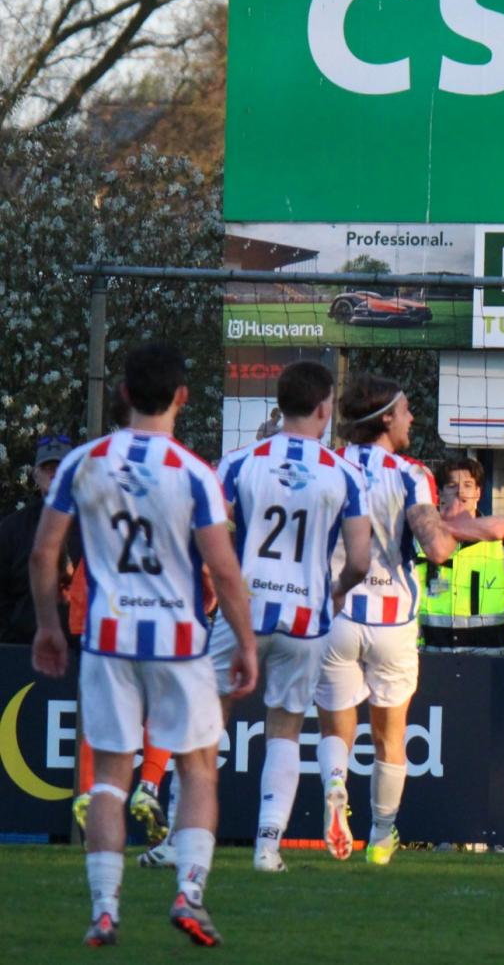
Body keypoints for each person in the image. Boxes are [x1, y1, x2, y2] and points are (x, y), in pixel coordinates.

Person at [28, 341, 258, 947]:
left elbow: (44, 553)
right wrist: (245, 642)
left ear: (124, 393)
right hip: (179, 642)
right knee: (198, 769)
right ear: (182, 396)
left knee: (109, 777)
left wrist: (49, 625)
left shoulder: (84, 462)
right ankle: (189, 894)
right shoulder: (193, 471)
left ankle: (105, 909)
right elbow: (223, 569)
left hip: (108, 638)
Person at [211, 360, 372, 872]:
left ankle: (179, 834)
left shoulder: (239, 462)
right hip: (307, 616)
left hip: (243, 610)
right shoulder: (345, 473)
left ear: (279, 405)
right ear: (325, 408)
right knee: (284, 726)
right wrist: (338, 591)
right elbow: (360, 560)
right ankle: (267, 846)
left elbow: (207, 535)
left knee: (209, 718)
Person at [315, 374, 457, 866]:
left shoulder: (327, 464)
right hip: (393, 620)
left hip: (336, 611)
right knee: (389, 736)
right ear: (387, 418)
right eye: (407, 410)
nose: (412, 418)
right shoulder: (410, 473)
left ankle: (336, 788)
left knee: (335, 729)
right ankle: (380, 838)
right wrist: (470, 529)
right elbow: (437, 548)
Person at [416, 458, 504, 653]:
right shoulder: (423, 545)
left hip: (492, 663)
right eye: (452, 485)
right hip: (433, 660)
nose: (460, 493)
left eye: (468, 485)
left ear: (478, 492)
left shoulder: (502, 546)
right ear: (440, 493)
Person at [2, 434, 77, 642]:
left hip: (80, 649)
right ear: (36, 475)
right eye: (47, 468)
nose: (54, 473)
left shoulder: (93, 525)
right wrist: (11, 639)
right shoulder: (12, 528)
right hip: (25, 648)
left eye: (61, 467)